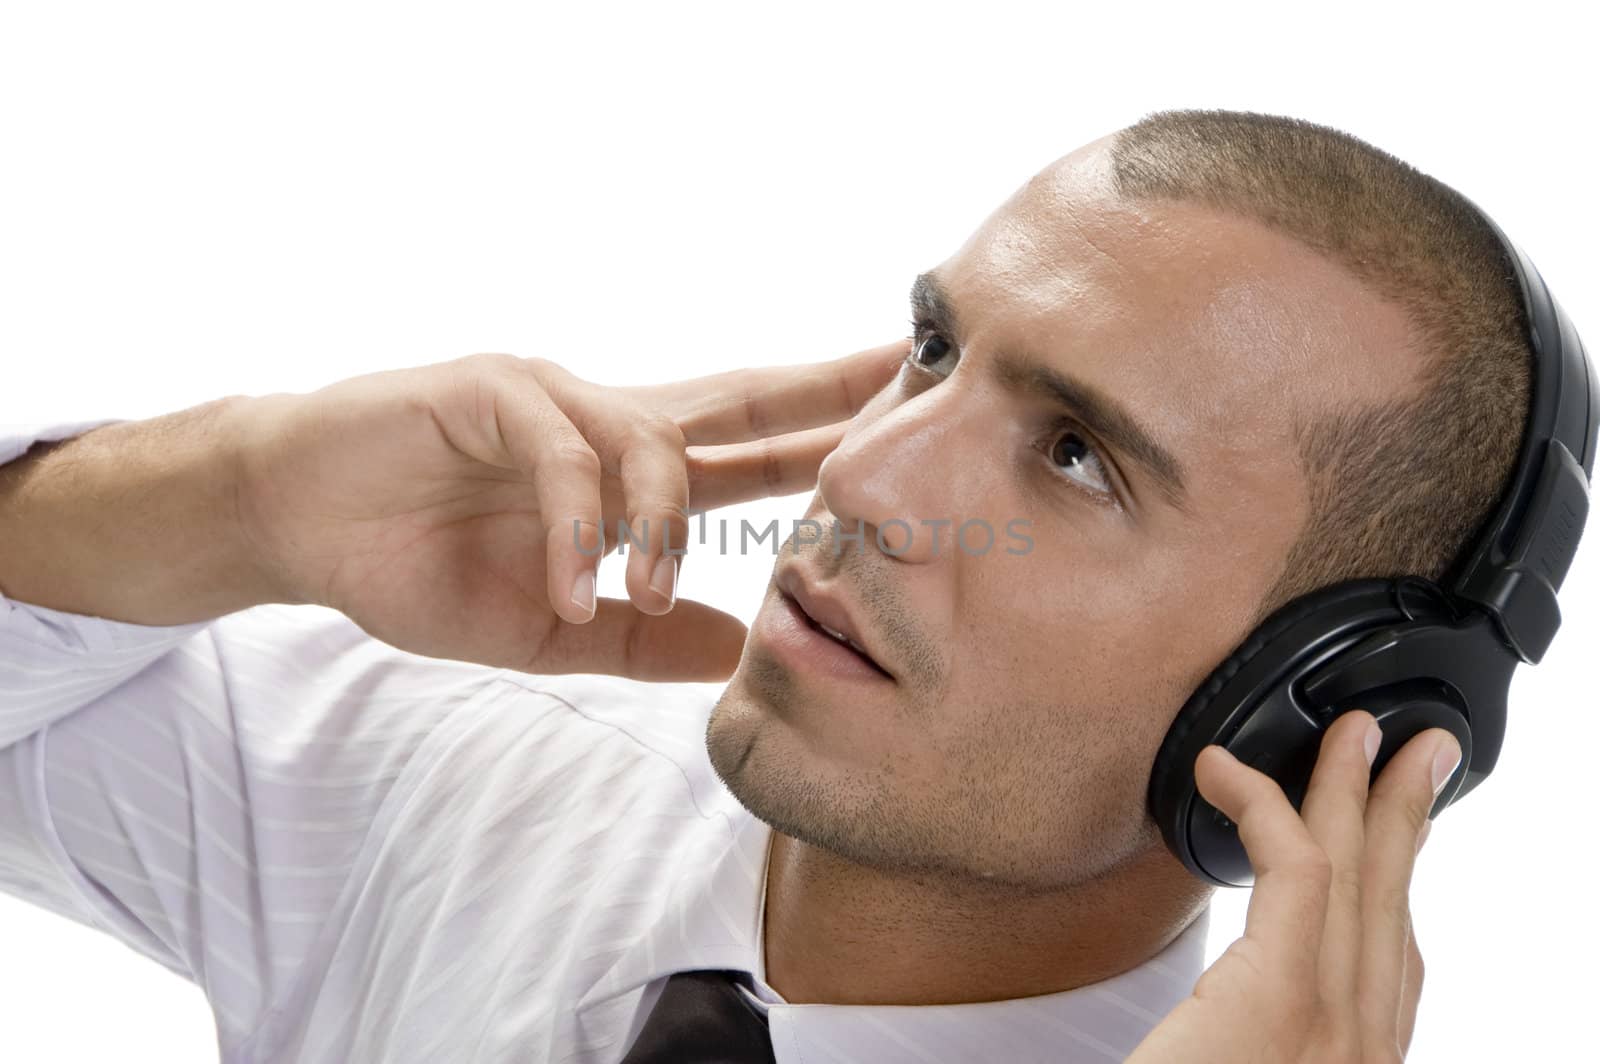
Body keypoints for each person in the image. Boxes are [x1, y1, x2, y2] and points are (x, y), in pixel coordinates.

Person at [0, 107, 1498, 1062]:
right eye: (930, 349)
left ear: (1318, 698)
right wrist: (234, 497)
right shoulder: (471, 784)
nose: (860, 480)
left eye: (1077, 456)